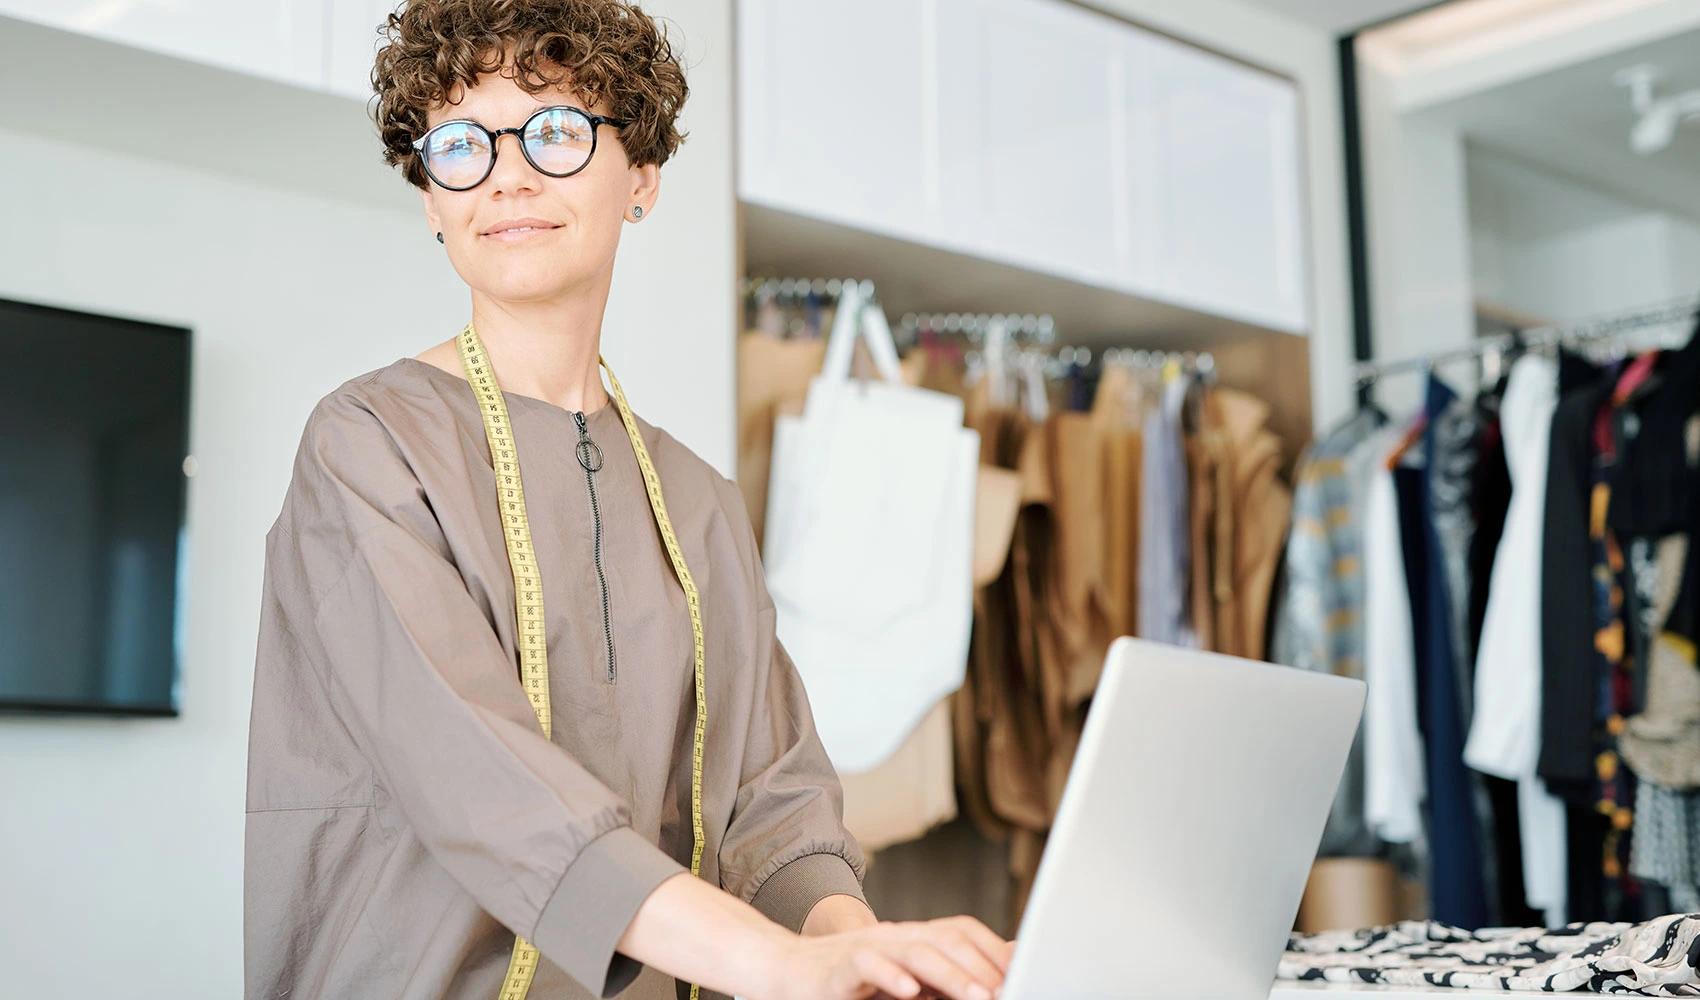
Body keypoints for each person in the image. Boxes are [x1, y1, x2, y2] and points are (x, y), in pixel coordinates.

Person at [243, 1, 1014, 998]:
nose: (506, 175)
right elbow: (486, 788)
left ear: (640, 177)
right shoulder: (365, 445)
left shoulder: (697, 498)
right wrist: (781, 965)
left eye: (555, 132)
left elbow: (773, 799)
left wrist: (854, 949)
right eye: (462, 144)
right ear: (431, 197)